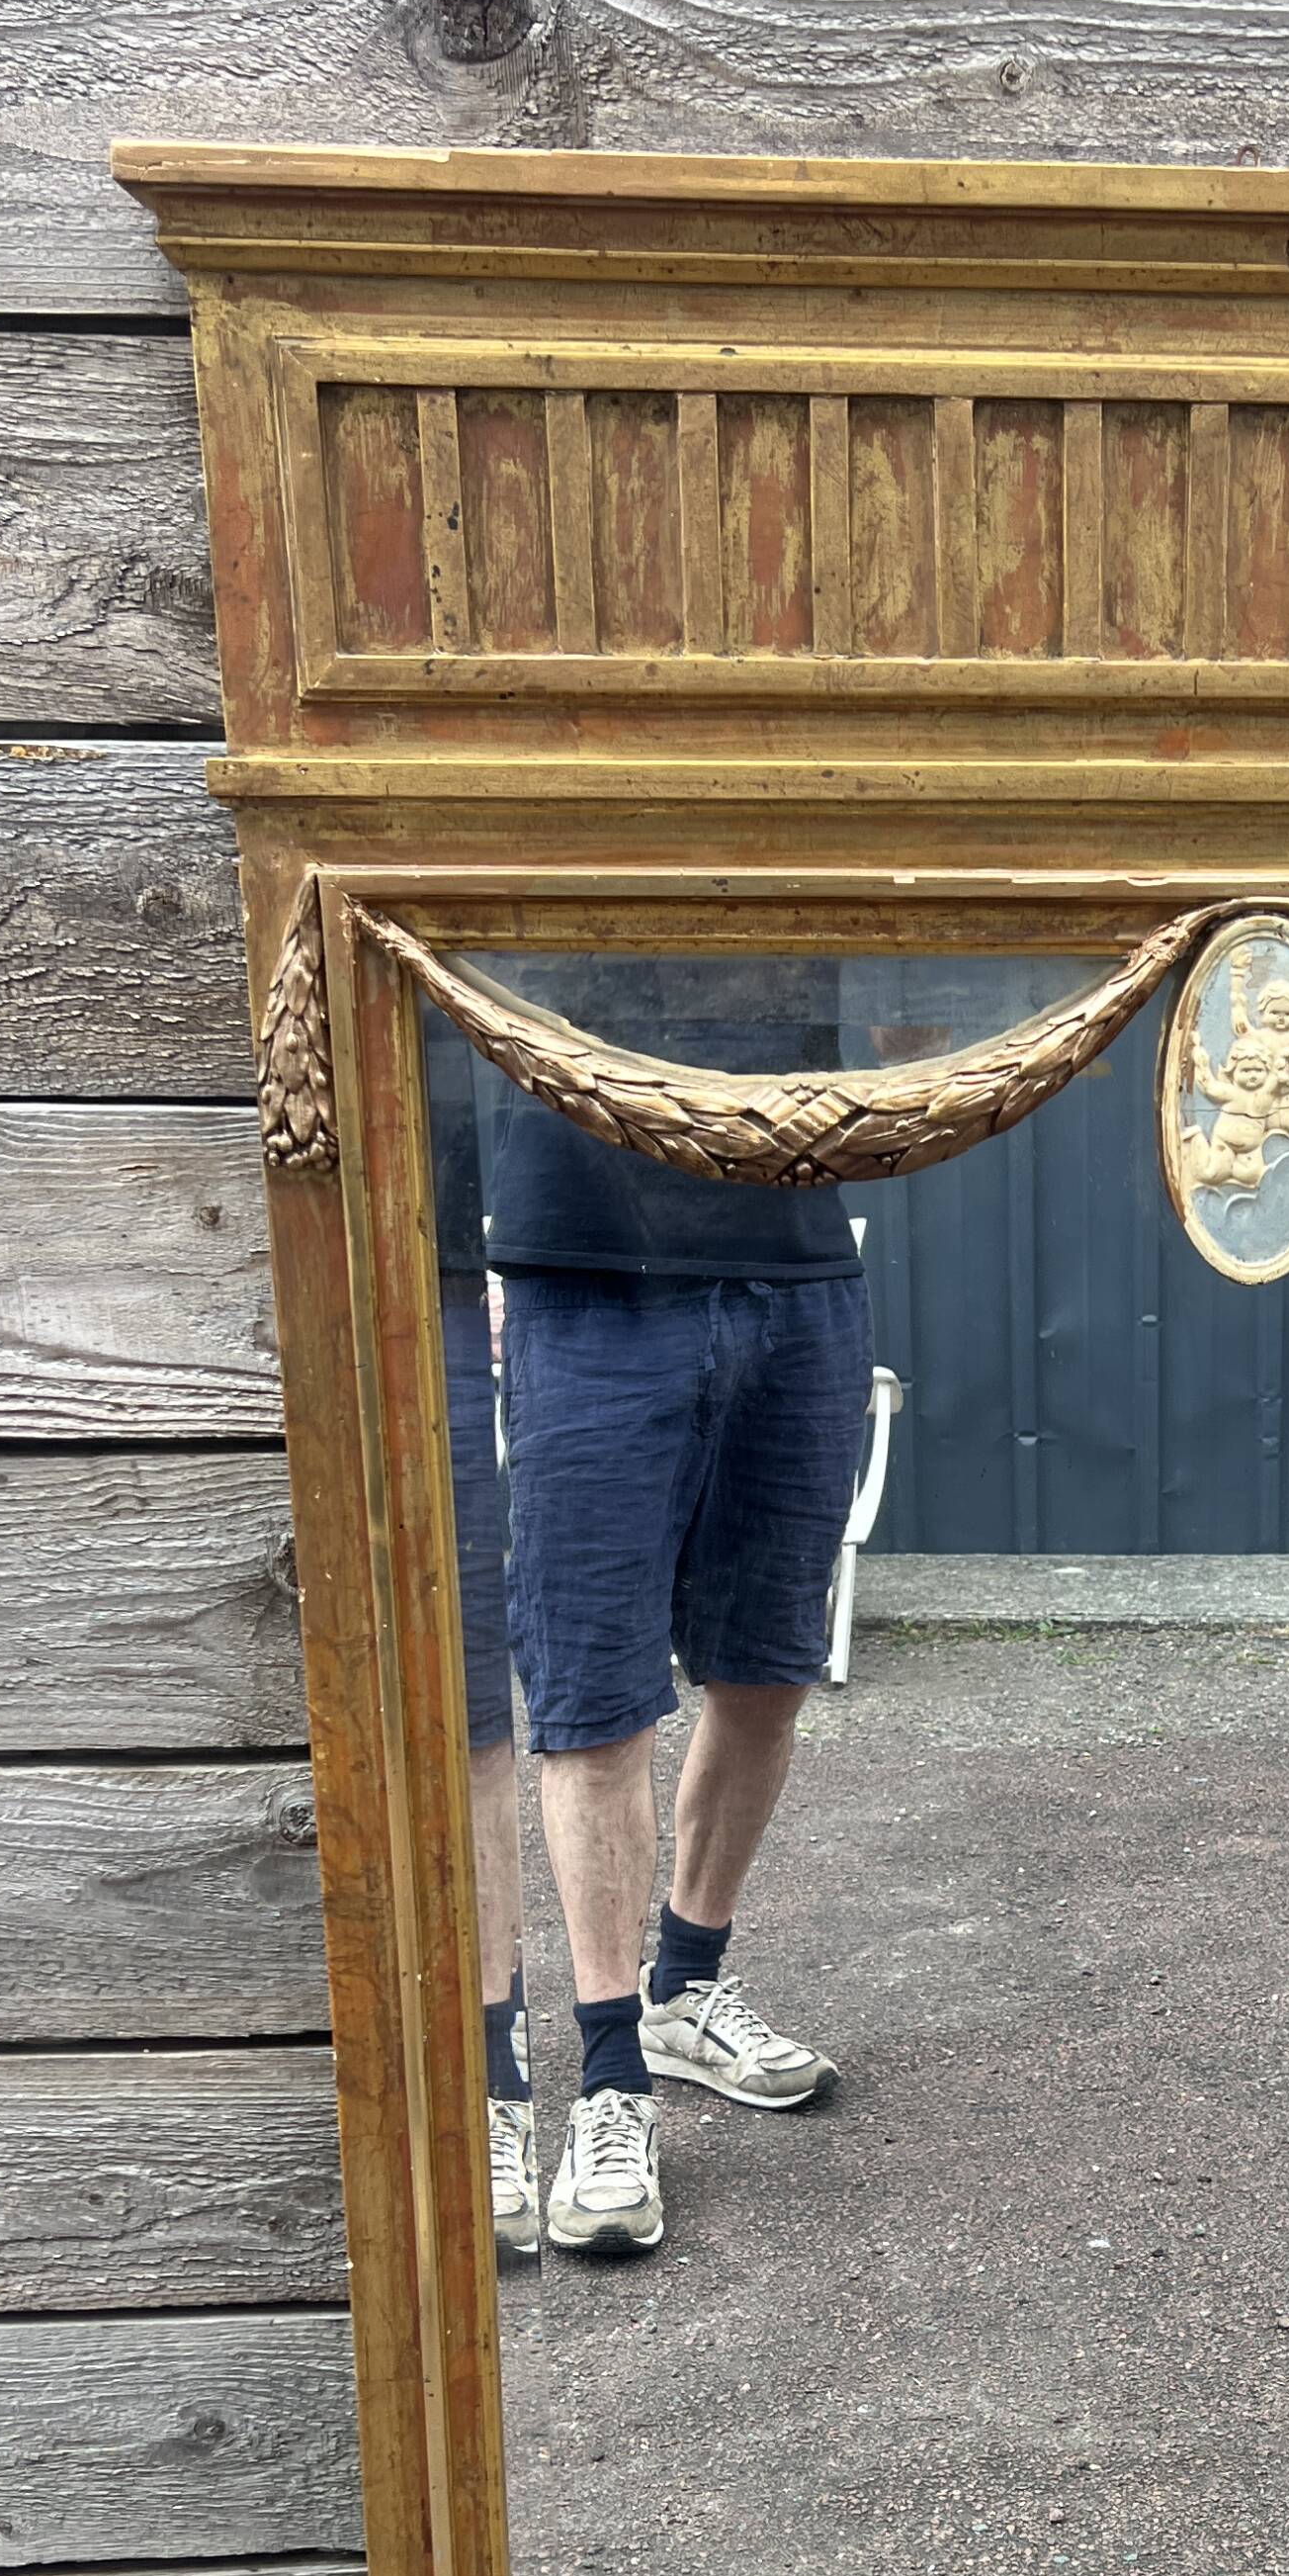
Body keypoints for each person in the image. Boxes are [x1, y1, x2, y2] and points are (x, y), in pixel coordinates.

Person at [466, 957, 869, 2258]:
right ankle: (607, 2076)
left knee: (766, 1671)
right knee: (593, 1691)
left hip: (796, 1255)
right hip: (580, 1263)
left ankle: (684, 1988)